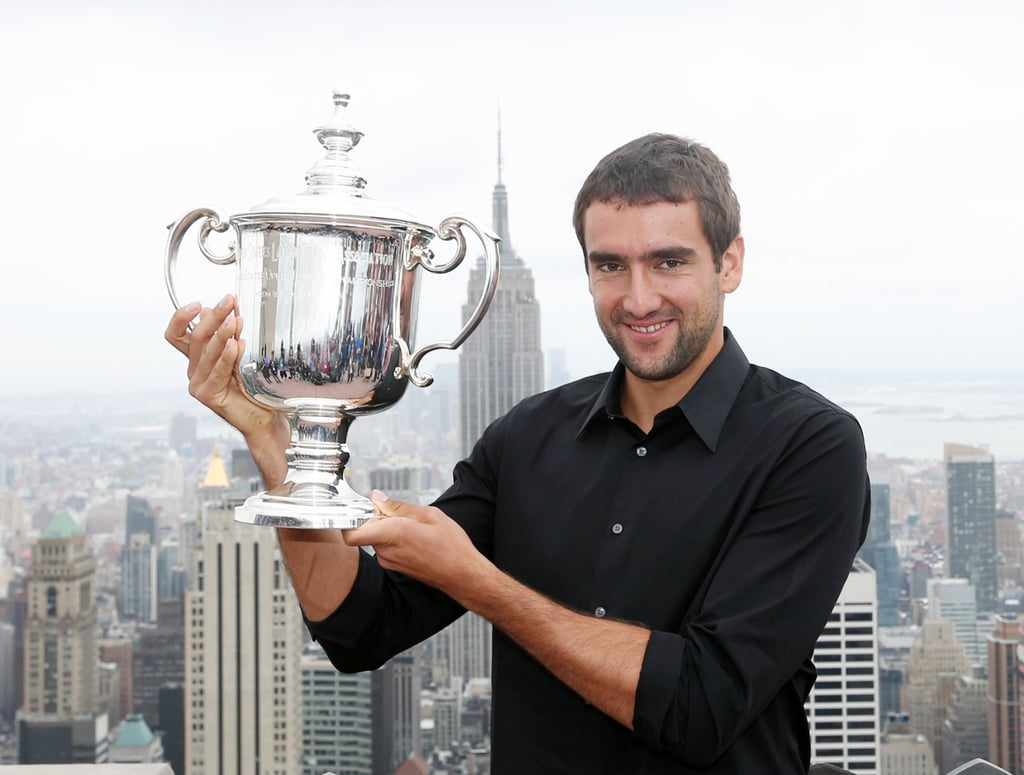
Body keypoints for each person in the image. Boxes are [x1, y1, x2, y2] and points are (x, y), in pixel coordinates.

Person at [166, 133, 870, 774]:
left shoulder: (809, 446)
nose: (638, 297)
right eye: (610, 265)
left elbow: (701, 704)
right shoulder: (528, 435)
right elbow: (358, 626)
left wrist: (480, 582)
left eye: (669, 262)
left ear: (730, 262)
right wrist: (274, 442)